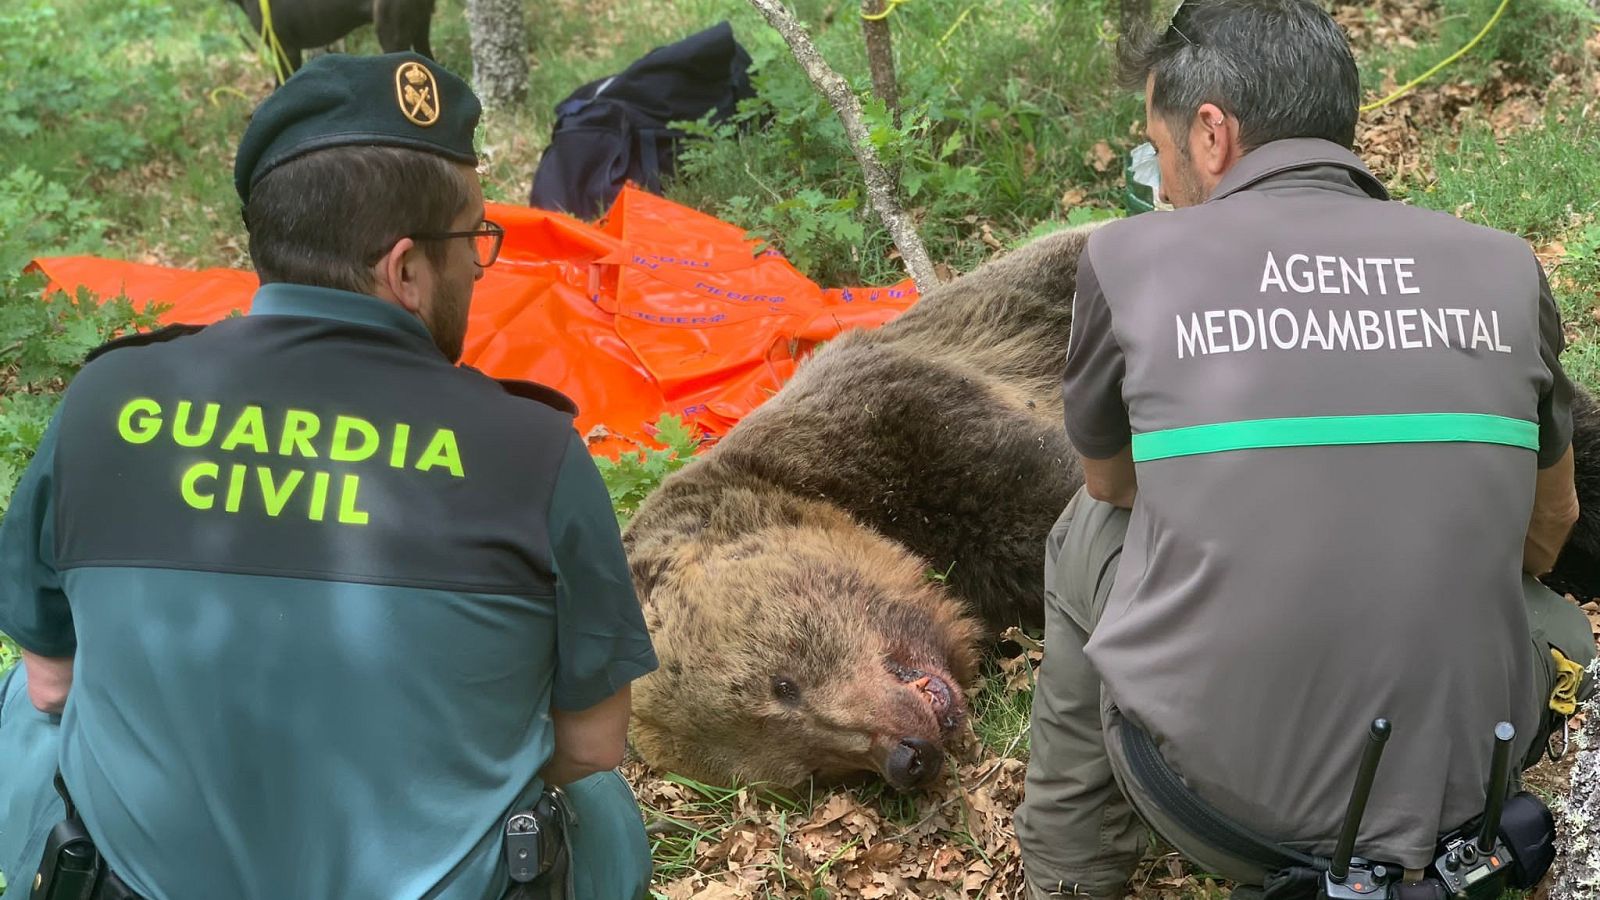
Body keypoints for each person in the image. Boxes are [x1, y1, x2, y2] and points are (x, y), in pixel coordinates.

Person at [0, 52, 657, 900]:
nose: (476, 266)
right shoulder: (533, 452)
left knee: (26, 701)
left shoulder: (104, 400)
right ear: (407, 270)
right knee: (603, 807)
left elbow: (53, 680)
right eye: (473, 241)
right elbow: (595, 745)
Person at [1013, 2, 1595, 897]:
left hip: (1224, 814)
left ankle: (1069, 875)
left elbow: (1111, 482)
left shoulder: (1131, 260)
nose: (1162, 184)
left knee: (1083, 531)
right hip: (1471, 798)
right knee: (1551, 621)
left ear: (1212, 133)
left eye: (1157, 151)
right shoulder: (1503, 268)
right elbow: (1549, 524)